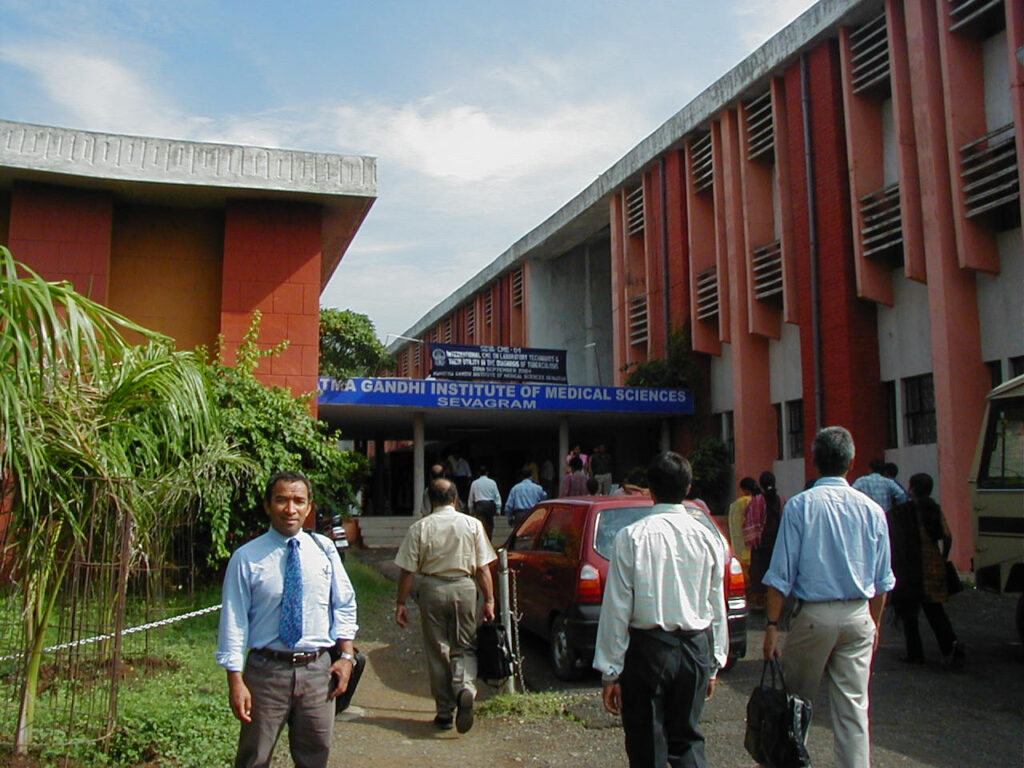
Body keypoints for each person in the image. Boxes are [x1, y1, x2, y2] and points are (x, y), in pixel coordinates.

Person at [763, 426, 895, 768]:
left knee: (795, 704)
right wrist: (875, 624)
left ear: (814, 462)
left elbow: (781, 574)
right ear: (851, 463)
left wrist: (772, 625)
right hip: (858, 614)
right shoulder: (872, 511)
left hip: (814, 617)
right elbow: (882, 582)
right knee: (853, 710)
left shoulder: (800, 506)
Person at [593, 452, 728, 768]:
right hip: (696, 647)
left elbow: (617, 607)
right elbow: (715, 604)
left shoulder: (632, 537)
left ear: (649, 490)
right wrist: (714, 663)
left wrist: (611, 671)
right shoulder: (710, 538)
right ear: (689, 487)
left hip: (648, 650)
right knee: (688, 740)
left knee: (646, 744)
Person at [217, 471, 359, 768]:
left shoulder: (324, 550)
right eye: (281, 500)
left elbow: (344, 604)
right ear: (268, 506)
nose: (290, 509)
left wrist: (346, 656)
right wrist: (235, 680)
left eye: (298, 501)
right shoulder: (247, 558)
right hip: (266, 673)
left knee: (315, 756)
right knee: (254, 757)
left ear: (309, 507)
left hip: (318, 673)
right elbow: (234, 620)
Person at [394, 478, 497, 733]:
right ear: (455, 499)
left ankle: (444, 712)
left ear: (430, 500)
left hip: (432, 589)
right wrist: (490, 600)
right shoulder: (473, 525)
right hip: (464, 587)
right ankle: (465, 688)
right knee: (465, 646)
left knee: (437, 650)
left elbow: (407, 570)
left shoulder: (420, 527)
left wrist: (401, 602)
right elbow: (483, 568)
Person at [887, 472, 965, 667]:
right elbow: (947, 537)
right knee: (935, 611)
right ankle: (950, 645)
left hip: (910, 568)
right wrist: (943, 558)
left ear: (912, 488)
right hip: (933, 566)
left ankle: (915, 654)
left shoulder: (902, 512)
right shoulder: (934, 509)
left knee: (909, 614)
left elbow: (894, 540)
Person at [744, 471, 785, 611]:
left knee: (759, 574)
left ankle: (761, 602)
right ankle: (774, 602)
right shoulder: (782, 500)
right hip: (777, 545)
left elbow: (750, 523)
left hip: (761, 546)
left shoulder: (756, 501)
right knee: (775, 574)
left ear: (760, 484)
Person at [727, 477, 758, 572]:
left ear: (743, 489)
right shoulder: (755, 501)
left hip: (738, 549)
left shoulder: (736, 504)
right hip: (752, 550)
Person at [467, 465, 501, 539]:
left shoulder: (475, 483)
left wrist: (471, 509)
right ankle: (489, 539)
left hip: (480, 505)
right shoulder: (492, 482)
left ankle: (481, 540)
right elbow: (497, 496)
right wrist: (498, 509)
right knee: (490, 525)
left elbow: (471, 497)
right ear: (487, 473)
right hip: (490, 505)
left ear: (478, 473)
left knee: (480, 525)